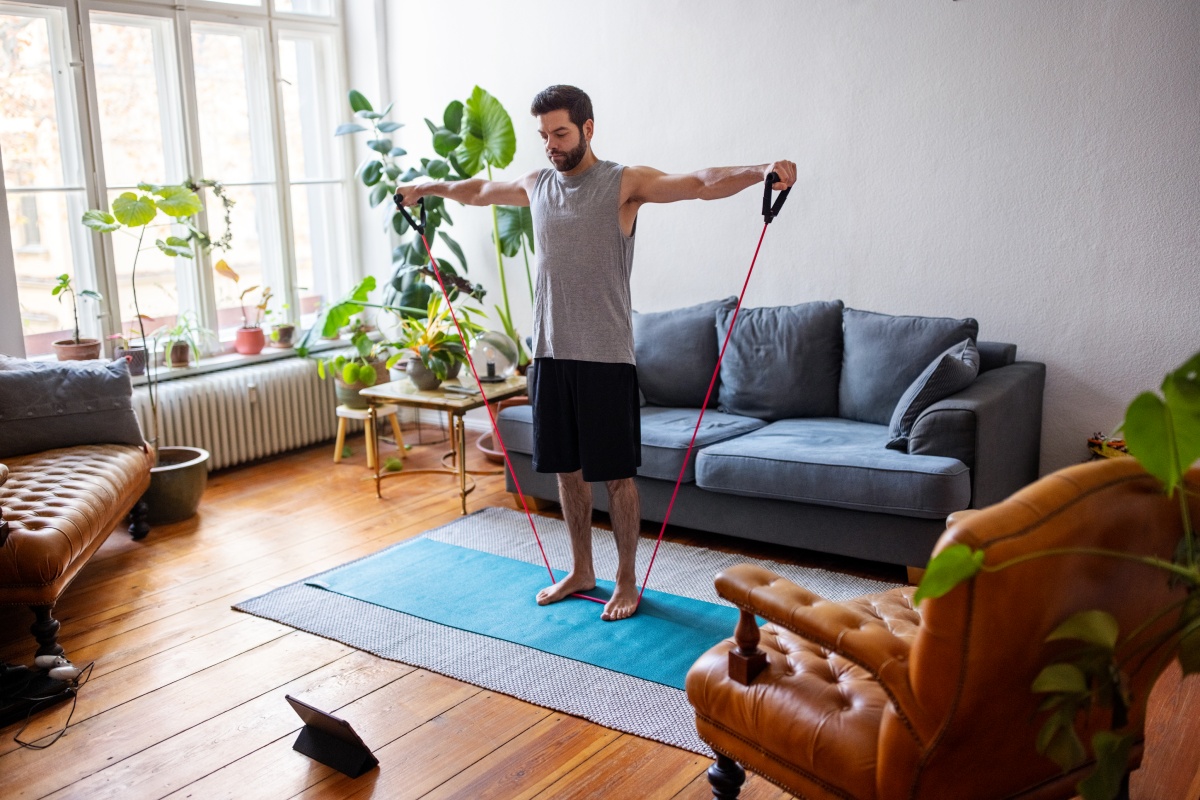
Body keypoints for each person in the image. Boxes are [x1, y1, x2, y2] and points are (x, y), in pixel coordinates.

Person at [395, 85, 795, 621]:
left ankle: (626, 579)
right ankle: (582, 569)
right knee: (565, 472)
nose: (551, 146)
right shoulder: (537, 184)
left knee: (617, 477)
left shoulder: (622, 184)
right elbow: (479, 189)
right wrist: (427, 186)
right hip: (550, 356)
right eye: (543, 136)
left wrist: (761, 170)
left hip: (606, 358)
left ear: (587, 128)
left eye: (560, 133)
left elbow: (700, 183)